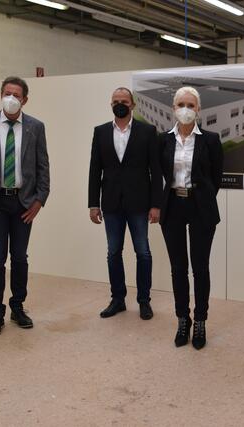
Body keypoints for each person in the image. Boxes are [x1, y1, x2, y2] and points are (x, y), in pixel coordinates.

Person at [0, 76, 50, 337]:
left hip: (23, 202)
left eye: (16, 94)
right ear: (1, 95)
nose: (11, 98)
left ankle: (18, 306)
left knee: (20, 257)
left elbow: (43, 167)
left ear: (25, 99)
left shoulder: (36, 127)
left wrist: (40, 200)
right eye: (7, 93)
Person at [158, 86, 223, 350]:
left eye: (191, 105)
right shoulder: (163, 140)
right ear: (173, 108)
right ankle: (182, 318)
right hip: (172, 204)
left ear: (198, 109)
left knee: (200, 267)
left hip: (200, 206)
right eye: (181, 104)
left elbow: (215, 178)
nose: (186, 109)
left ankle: (200, 320)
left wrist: (202, 196)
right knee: (177, 268)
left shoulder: (210, 139)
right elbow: (158, 174)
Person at [88, 87, 161, 320]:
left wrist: (156, 204)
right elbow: (94, 170)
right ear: (111, 104)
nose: (120, 104)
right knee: (113, 253)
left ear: (133, 105)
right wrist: (93, 203)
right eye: (116, 101)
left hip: (140, 203)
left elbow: (156, 171)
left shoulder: (147, 131)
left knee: (144, 253)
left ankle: (144, 301)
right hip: (111, 204)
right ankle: (117, 299)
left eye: (125, 101)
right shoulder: (100, 132)